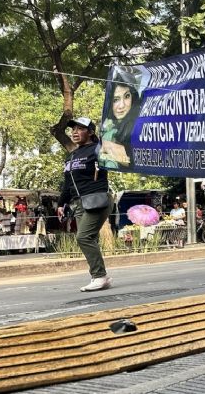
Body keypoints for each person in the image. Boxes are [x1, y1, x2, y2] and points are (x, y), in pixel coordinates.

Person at [56, 117, 114, 292]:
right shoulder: (71, 155)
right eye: (73, 129)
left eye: (80, 129)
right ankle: (99, 276)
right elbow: (67, 184)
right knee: (89, 238)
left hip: (97, 200)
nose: (74, 132)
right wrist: (61, 204)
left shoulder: (98, 150)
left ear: (90, 132)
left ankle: (99, 276)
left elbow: (113, 158)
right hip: (78, 204)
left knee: (83, 237)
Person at [99, 68, 142, 169]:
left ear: (133, 97)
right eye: (115, 100)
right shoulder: (107, 127)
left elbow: (133, 161)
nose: (121, 105)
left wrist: (107, 146)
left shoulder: (138, 126)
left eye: (127, 96)